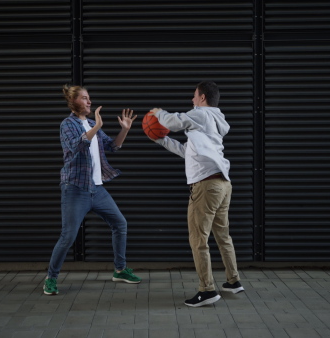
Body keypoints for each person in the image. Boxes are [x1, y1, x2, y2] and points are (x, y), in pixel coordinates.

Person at [147, 81, 244, 307]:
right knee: (223, 235)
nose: (192, 100)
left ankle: (207, 290)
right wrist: (161, 139)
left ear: (202, 97)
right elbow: (187, 152)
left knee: (198, 239)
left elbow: (174, 121)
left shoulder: (201, 114)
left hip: (206, 187)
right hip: (222, 184)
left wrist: (158, 112)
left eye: (194, 96)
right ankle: (233, 281)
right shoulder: (212, 121)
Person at [44, 84, 141, 295]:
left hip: (97, 189)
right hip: (75, 189)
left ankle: (120, 270)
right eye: (84, 98)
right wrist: (96, 126)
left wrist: (124, 129)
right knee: (68, 236)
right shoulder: (68, 124)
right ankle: (51, 278)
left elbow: (112, 146)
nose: (89, 101)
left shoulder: (90, 123)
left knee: (120, 224)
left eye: (89, 98)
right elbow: (77, 146)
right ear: (74, 102)